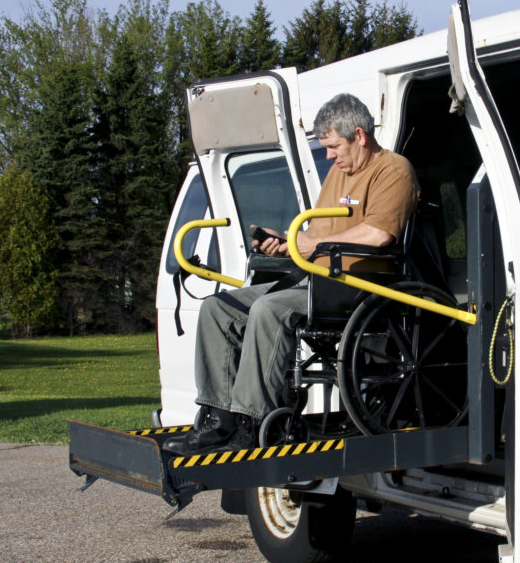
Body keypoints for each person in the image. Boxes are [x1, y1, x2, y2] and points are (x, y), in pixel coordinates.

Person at [163, 93, 419, 456]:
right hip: (319, 276)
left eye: (333, 147)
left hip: (358, 284)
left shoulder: (393, 170)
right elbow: (317, 233)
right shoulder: (338, 173)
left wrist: (311, 243)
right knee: (218, 309)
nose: (329, 156)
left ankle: (252, 421)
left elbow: (377, 235)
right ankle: (219, 420)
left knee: (269, 310)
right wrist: (287, 241)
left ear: (359, 135)